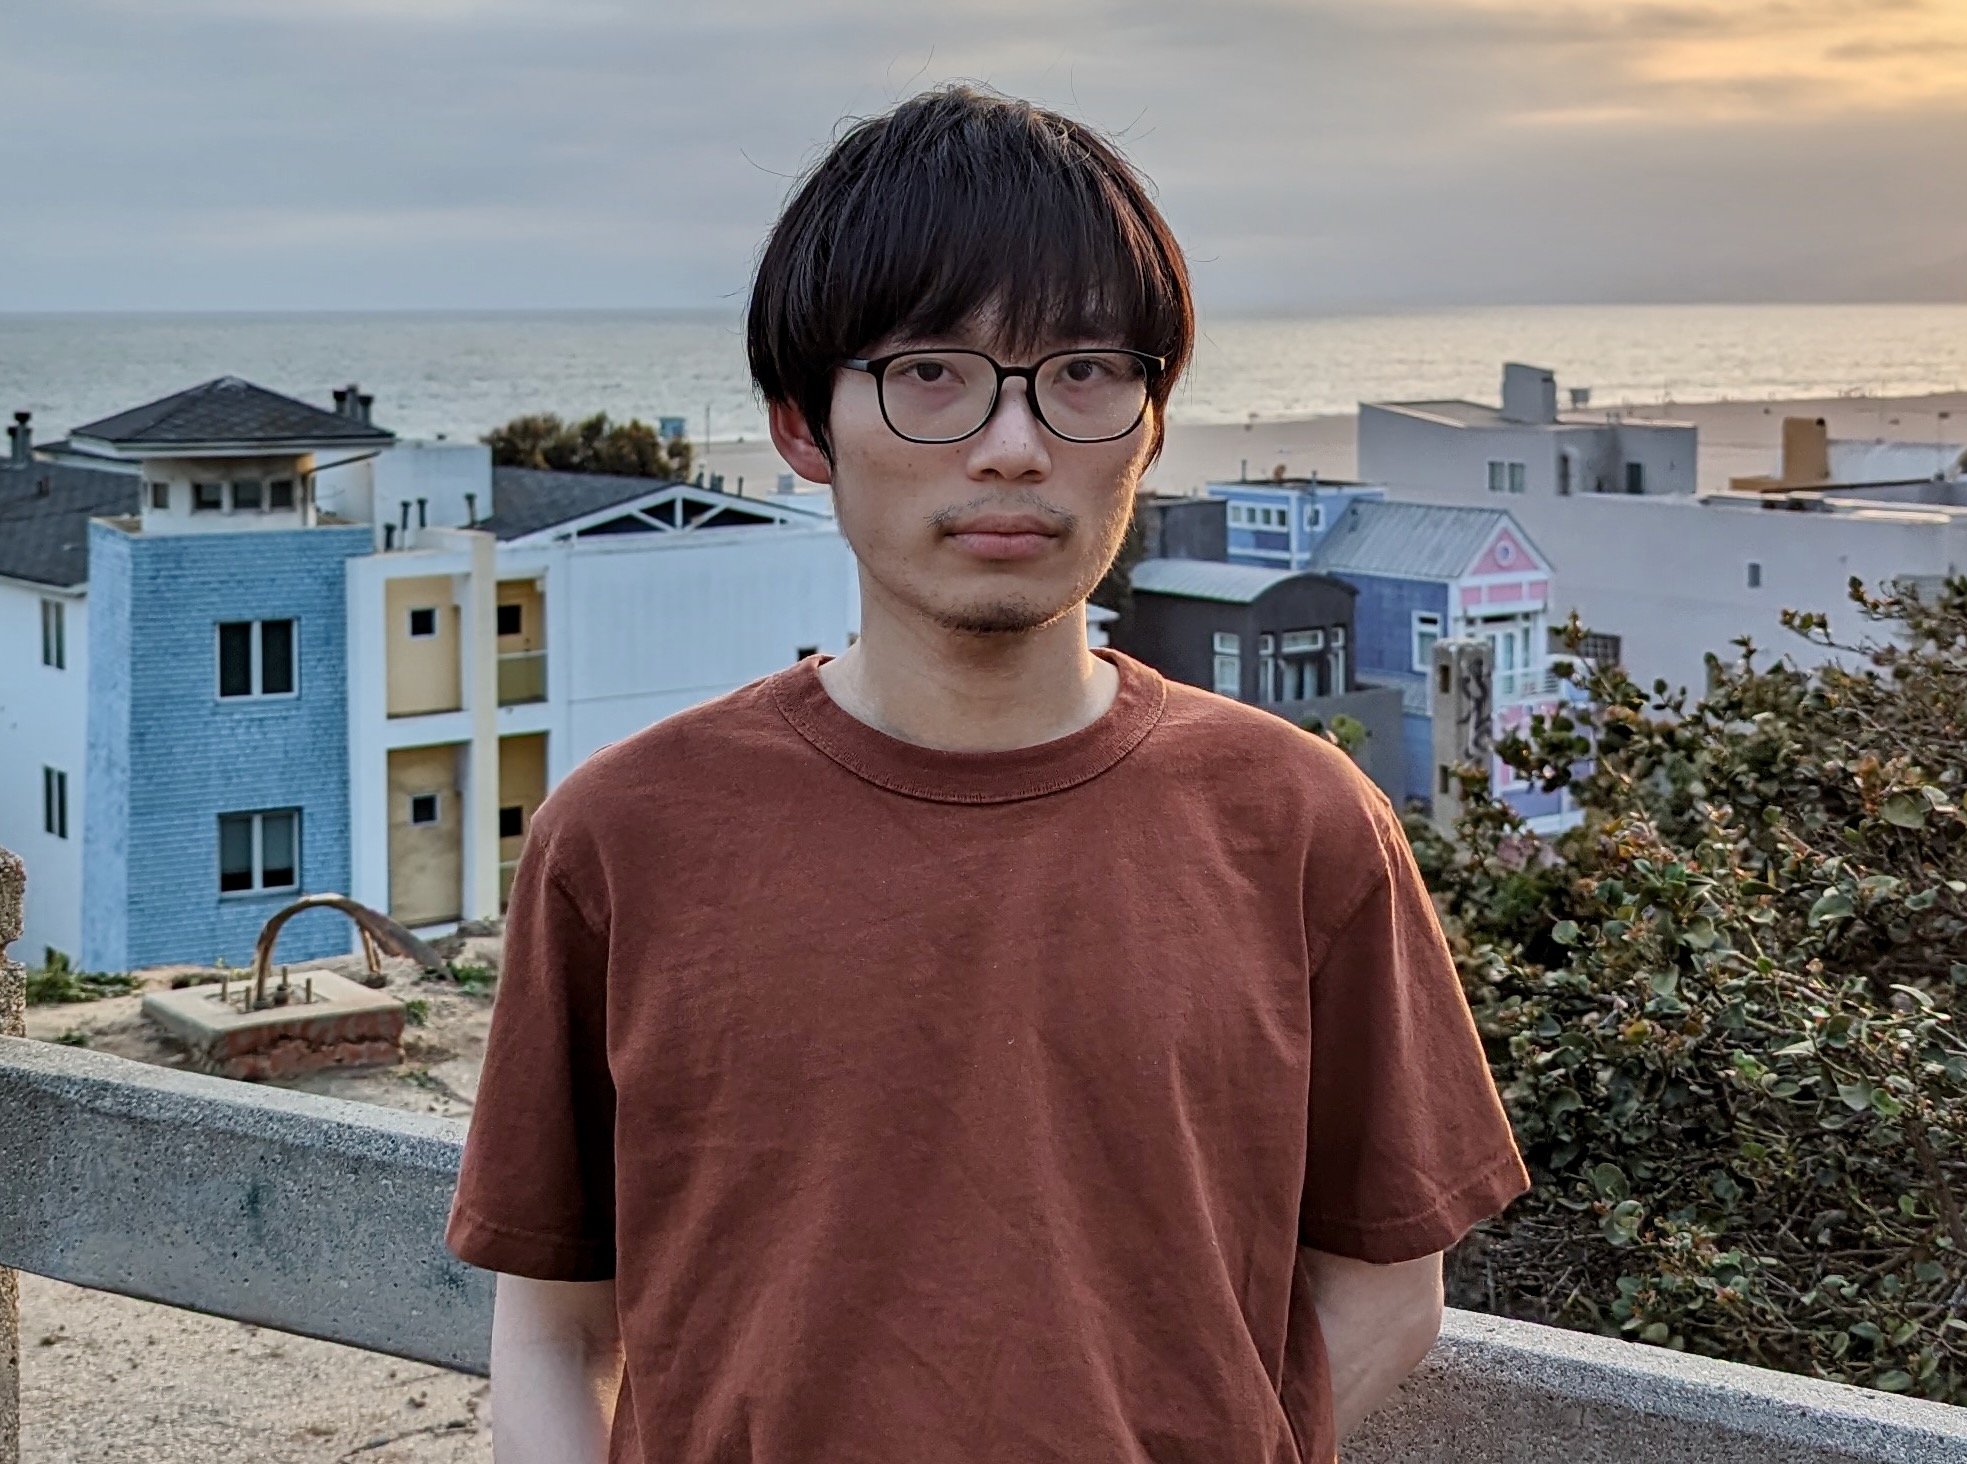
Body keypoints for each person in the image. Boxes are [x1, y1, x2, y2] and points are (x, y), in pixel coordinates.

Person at [447, 85, 1528, 1464]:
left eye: (1083, 372)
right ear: (800, 428)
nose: (1014, 442)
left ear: (1149, 427)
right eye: (931, 371)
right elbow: (550, 1333)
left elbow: (1387, 1292)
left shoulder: (1301, 822)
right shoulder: (625, 835)